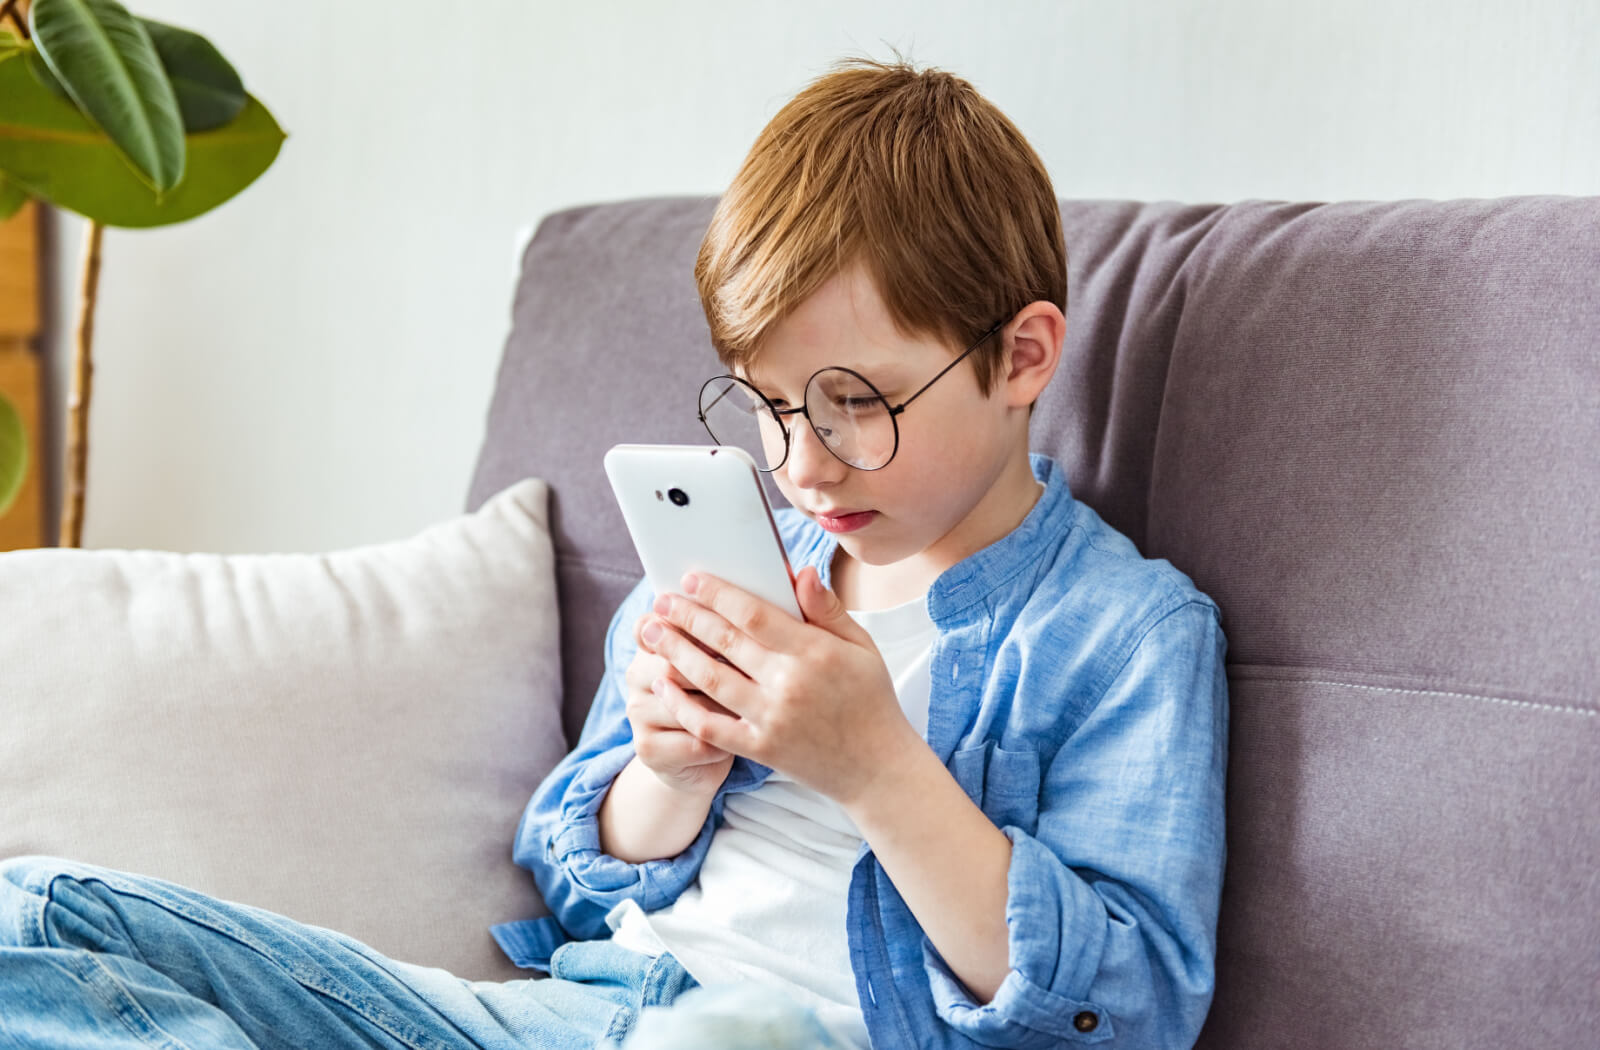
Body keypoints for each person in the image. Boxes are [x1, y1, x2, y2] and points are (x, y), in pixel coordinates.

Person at [0, 55, 1227, 1050]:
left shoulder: (1121, 633)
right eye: (769, 404)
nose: (801, 464)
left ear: (1022, 356)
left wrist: (878, 772)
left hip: (796, 1036)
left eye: (859, 402)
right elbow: (572, 881)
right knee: (28, 908)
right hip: (568, 1020)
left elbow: (1121, 1011)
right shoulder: (729, 563)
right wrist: (668, 774)